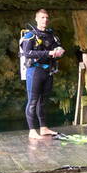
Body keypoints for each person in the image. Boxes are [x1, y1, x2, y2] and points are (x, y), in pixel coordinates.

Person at [20, 8, 65, 139]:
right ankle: (32, 130)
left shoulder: (51, 35)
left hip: (48, 71)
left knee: (43, 101)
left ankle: (43, 128)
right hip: (35, 71)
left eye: (46, 18)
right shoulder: (30, 35)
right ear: (36, 19)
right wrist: (48, 53)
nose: (45, 20)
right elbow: (27, 53)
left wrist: (59, 50)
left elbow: (58, 46)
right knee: (33, 101)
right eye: (42, 18)